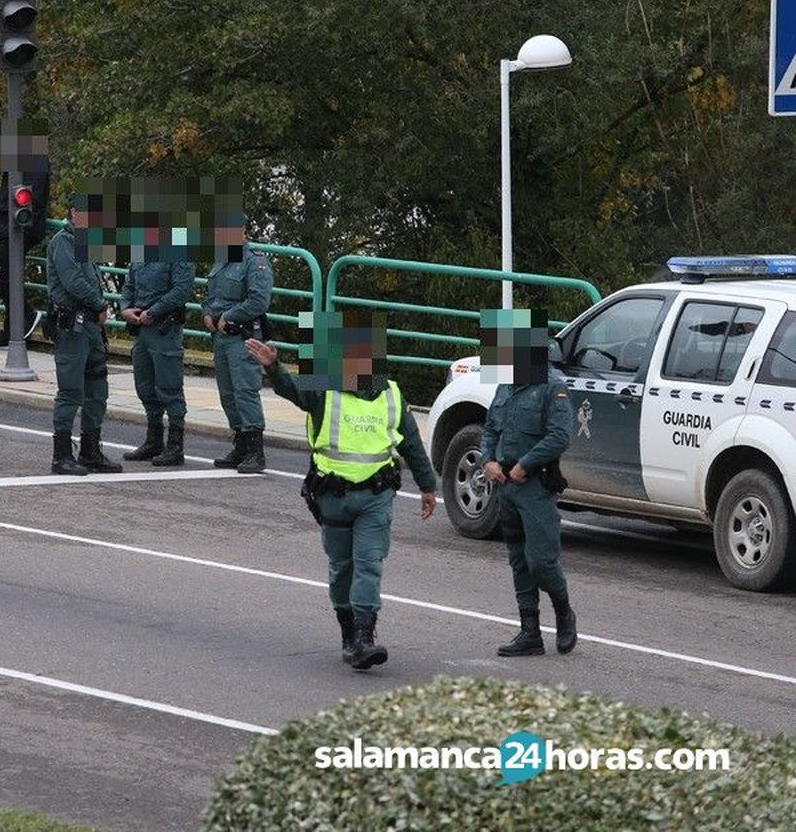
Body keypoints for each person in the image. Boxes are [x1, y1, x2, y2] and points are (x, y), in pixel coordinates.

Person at [247, 323, 437, 670]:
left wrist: (428, 486)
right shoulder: (325, 391)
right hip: (333, 496)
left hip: (375, 496)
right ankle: (348, 635)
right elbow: (292, 390)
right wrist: (273, 367)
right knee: (341, 569)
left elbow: (411, 442)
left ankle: (365, 638)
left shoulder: (392, 394)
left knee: (368, 564)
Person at [479, 313, 577, 657]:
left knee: (541, 562)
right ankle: (529, 632)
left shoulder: (553, 386)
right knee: (518, 560)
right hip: (504, 485)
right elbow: (491, 428)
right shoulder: (505, 385)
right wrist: (488, 460)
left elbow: (560, 436)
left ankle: (564, 614)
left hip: (534, 485)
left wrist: (526, 464)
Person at [45, 194, 120, 476]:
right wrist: (100, 305)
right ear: (74, 213)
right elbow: (73, 281)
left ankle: (90, 450)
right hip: (72, 325)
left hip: (90, 327)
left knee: (97, 389)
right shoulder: (62, 242)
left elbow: (92, 280)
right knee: (71, 390)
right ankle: (62, 455)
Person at [202, 225, 272, 473]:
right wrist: (208, 313)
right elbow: (211, 296)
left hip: (243, 336)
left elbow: (259, 300)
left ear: (242, 231)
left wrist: (230, 315)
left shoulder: (254, 261)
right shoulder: (221, 260)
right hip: (221, 338)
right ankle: (241, 444)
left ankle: (256, 451)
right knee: (227, 394)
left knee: (245, 391)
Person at [118, 254, 195, 466]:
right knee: (145, 386)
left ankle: (175, 445)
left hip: (164, 331)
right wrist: (125, 308)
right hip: (142, 330)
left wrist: (154, 311)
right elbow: (129, 284)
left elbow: (181, 291)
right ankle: (154, 441)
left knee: (170, 388)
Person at [0, 169, 49, 345]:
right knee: (7, 276)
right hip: (11, 225)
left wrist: (21, 218)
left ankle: (26, 315)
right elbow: (7, 189)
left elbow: (30, 195)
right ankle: (13, 330)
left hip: (21, 225)